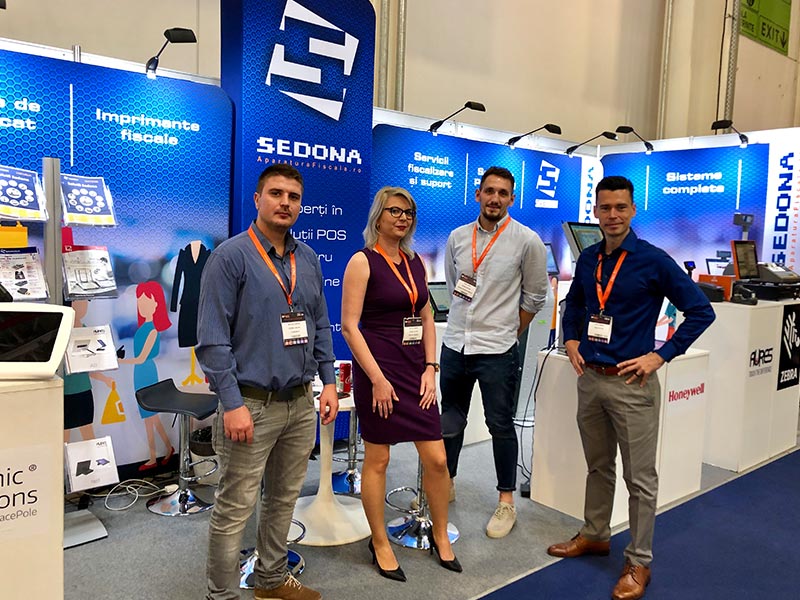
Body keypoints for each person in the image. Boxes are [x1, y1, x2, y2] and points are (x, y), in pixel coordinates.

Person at [547, 175, 714, 600]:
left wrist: (661, 355)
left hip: (632, 384)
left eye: (620, 207)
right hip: (591, 380)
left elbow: (701, 311)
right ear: (595, 211)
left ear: (633, 209)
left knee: (640, 479)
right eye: (605, 208)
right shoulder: (588, 259)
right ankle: (595, 533)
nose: (612, 215)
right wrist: (571, 339)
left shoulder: (653, 260)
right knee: (598, 466)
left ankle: (639, 561)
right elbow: (575, 304)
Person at [196, 163, 338, 600]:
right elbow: (212, 340)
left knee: (282, 500)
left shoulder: (307, 258)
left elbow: (319, 323)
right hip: (250, 405)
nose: (285, 203)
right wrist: (232, 403)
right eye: (276, 194)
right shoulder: (230, 257)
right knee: (234, 508)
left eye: (293, 197)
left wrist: (329, 381)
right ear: (257, 199)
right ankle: (220, 595)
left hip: (300, 403)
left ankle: (271, 581)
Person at [341, 186, 461, 582]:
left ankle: (440, 535)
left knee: (437, 459)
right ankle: (379, 542)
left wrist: (431, 367)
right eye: (395, 211)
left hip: (414, 370)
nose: (403, 218)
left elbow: (427, 317)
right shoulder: (362, 261)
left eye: (408, 212)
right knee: (378, 460)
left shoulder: (414, 262)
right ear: (378, 216)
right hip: (378, 371)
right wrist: (376, 378)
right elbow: (350, 327)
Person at [440, 166, 549, 538]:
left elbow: (535, 297)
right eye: (489, 191)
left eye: (503, 193)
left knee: (500, 425)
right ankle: (447, 481)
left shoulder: (527, 241)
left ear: (512, 199)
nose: (495, 199)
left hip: (497, 349)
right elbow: (454, 286)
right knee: (450, 419)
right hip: (456, 343)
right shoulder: (457, 237)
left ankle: (506, 501)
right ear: (478, 194)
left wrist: (508, 331)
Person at [119, 281, 174, 471]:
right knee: (150, 417)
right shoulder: (144, 328)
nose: (141, 305)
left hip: (146, 371)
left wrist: (120, 361)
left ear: (156, 303)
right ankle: (166, 449)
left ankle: (154, 456)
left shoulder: (152, 330)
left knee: (150, 415)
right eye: (139, 301)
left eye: (145, 301)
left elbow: (141, 358)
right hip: (140, 372)